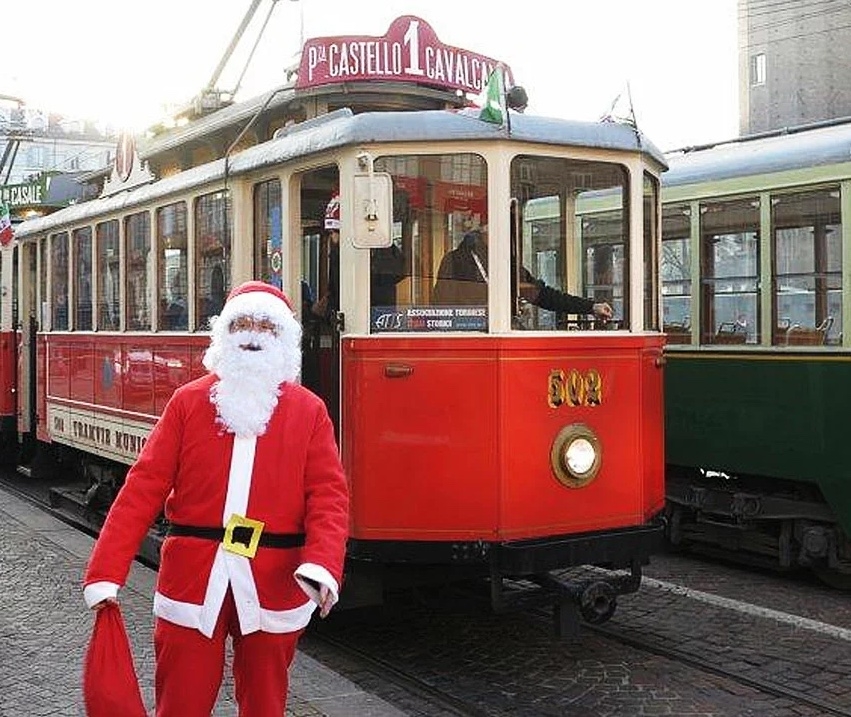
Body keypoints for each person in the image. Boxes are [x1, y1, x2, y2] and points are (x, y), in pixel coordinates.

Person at [82, 280, 349, 716]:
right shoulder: (188, 403)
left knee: (265, 705)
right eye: (242, 323)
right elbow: (143, 487)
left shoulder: (308, 411)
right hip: (194, 576)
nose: (252, 333)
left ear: (282, 339)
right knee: (181, 703)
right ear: (225, 333)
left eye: (265, 325)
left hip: (274, 580)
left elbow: (328, 497)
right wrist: (106, 571)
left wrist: (321, 563)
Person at [432, 229, 613, 319]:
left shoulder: (506, 264)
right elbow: (440, 307)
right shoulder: (454, 260)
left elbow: (543, 295)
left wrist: (591, 307)